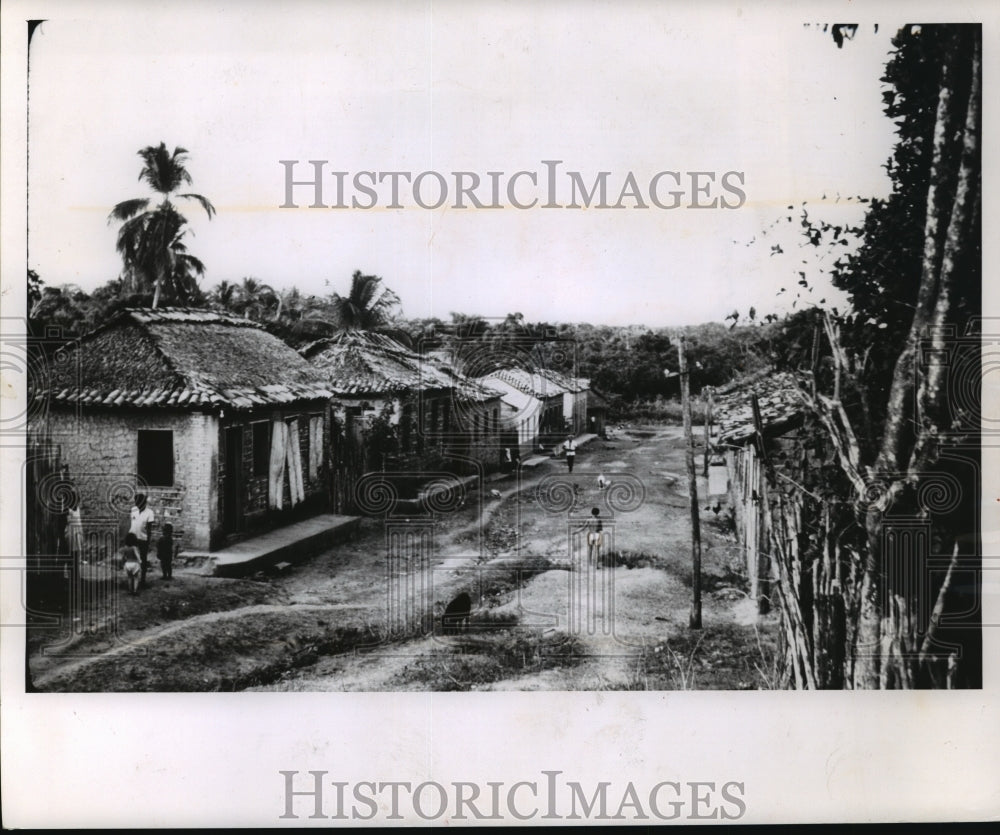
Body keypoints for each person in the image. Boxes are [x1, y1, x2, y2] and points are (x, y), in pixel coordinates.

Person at [129, 493, 155, 588]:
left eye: (140, 503)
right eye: (136, 503)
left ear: (144, 503)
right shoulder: (133, 510)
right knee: (131, 559)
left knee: (143, 560)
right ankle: (132, 579)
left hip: (143, 539)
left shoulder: (150, 513)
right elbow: (132, 524)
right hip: (133, 538)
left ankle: (143, 580)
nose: (138, 505)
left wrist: (148, 541)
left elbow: (149, 529)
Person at [65, 499, 85, 565]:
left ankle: (78, 560)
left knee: (78, 549)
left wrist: (81, 531)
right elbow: (68, 521)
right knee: (72, 549)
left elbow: (79, 522)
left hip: (77, 530)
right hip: (71, 531)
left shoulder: (78, 509)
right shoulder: (68, 510)